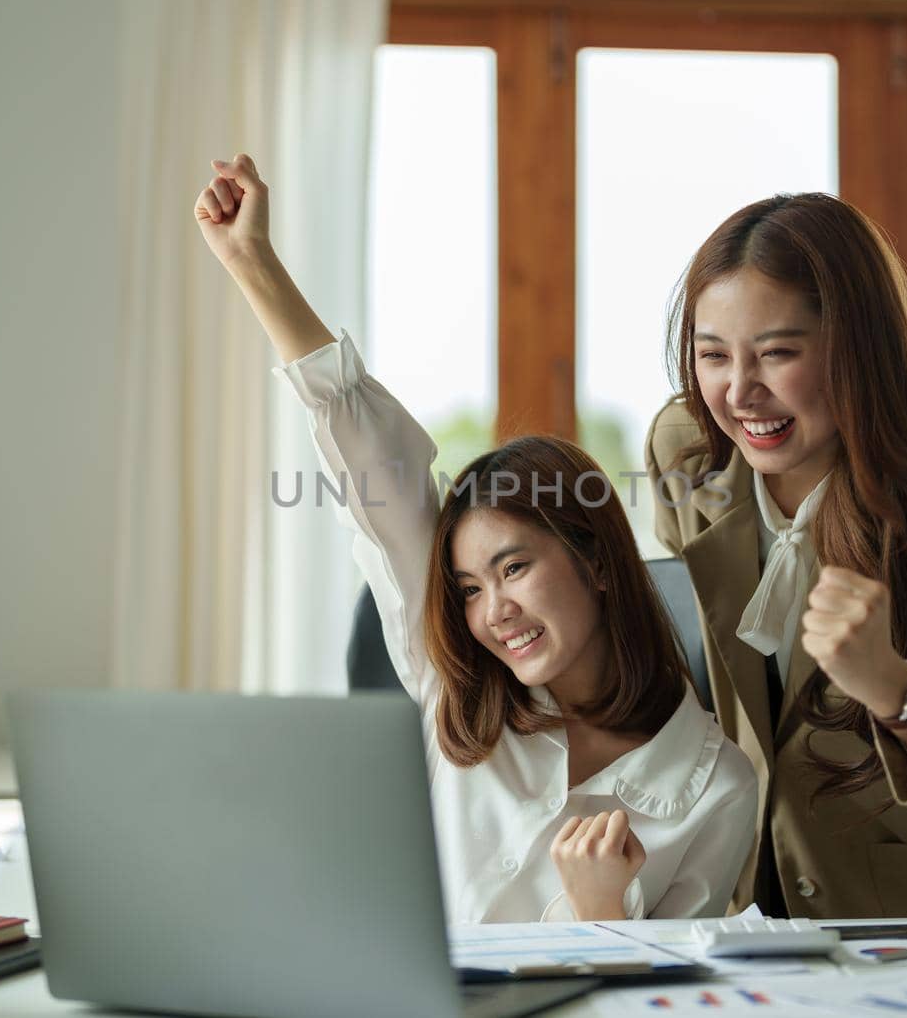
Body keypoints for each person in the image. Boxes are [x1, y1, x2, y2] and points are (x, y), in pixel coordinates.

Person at [195, 155, 757, 923]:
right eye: (468, 588)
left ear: (594, 560)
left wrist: (600, 913)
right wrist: (250, 261)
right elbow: (375, 469)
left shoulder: (717, 784)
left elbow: (663, 997)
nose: (493, 610)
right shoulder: (459, 698)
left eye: (514, 567)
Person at [645, 193, 907, 919]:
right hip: (727, 907)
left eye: (778, 353)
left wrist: (896, 688)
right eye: (713, 354)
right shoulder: (686, 451)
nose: (740, 391)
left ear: (857, 350)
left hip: (896, 920)